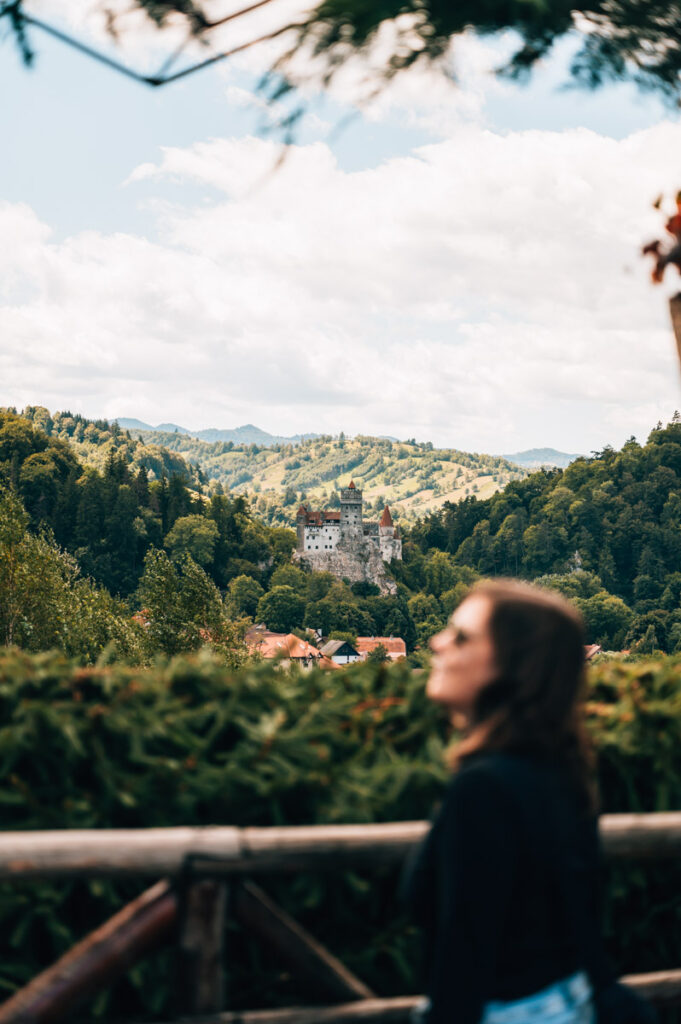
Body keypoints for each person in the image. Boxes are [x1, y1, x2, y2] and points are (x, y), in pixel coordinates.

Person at [403, 579, 654, 1024]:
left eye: (461, 636)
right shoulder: (560, 772)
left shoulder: (484, 788)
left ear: (512, 664)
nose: (436, 643)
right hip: (567, 1001)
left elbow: (465, 956)